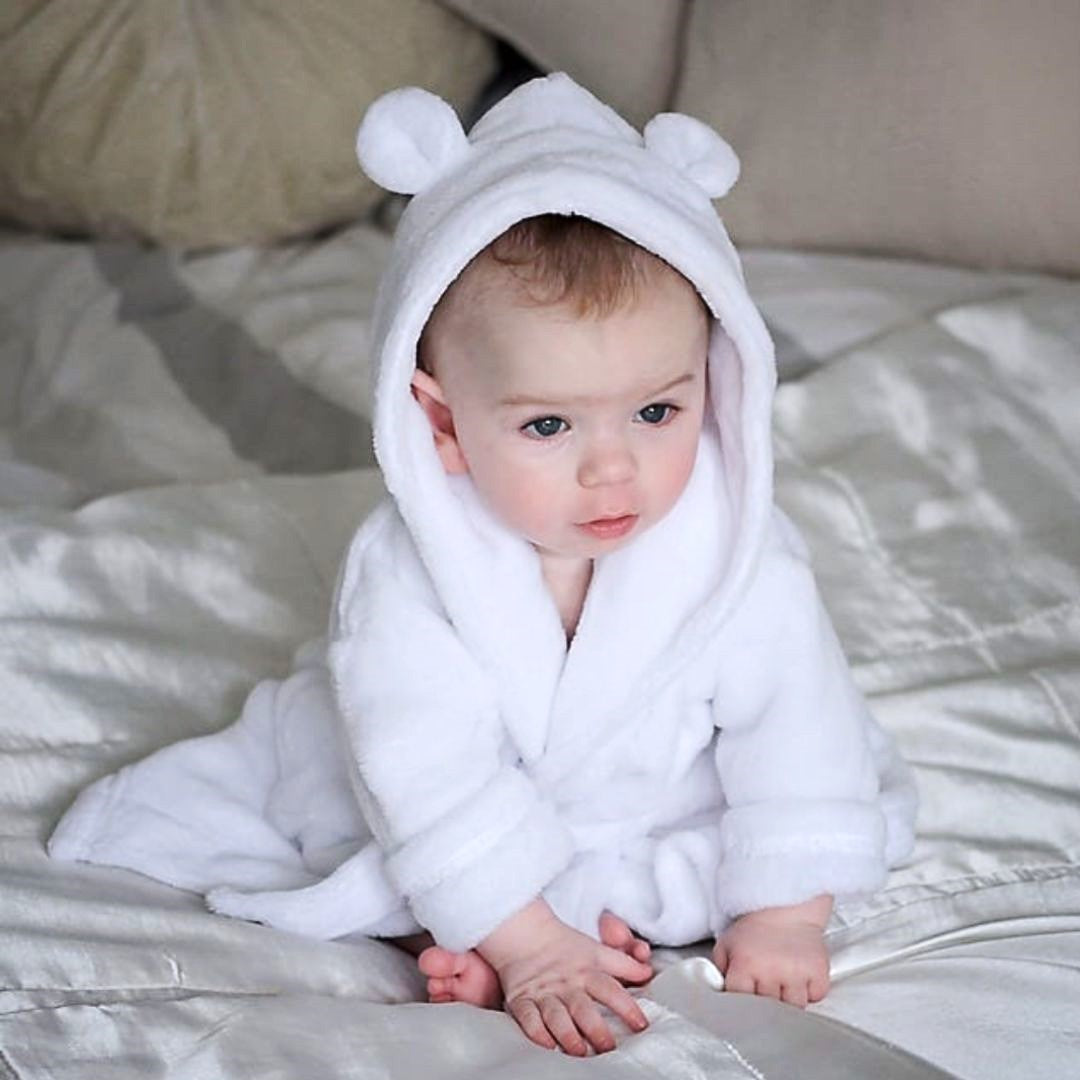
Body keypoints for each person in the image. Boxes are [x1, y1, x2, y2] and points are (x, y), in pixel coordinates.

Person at [49, 74, 918, 1058]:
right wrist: (536, 941)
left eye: (658, 411)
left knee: (770, 815)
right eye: (548, 423)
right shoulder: (411, 568)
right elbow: (427, 760)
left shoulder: (735, 548)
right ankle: (493, 928)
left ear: (712, 382)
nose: (612, 466)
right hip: (459, 793)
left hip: (646, 789)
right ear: (441, 423)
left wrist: (782, 915)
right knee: (360, 797)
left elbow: (796, 721)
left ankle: (514, 924)